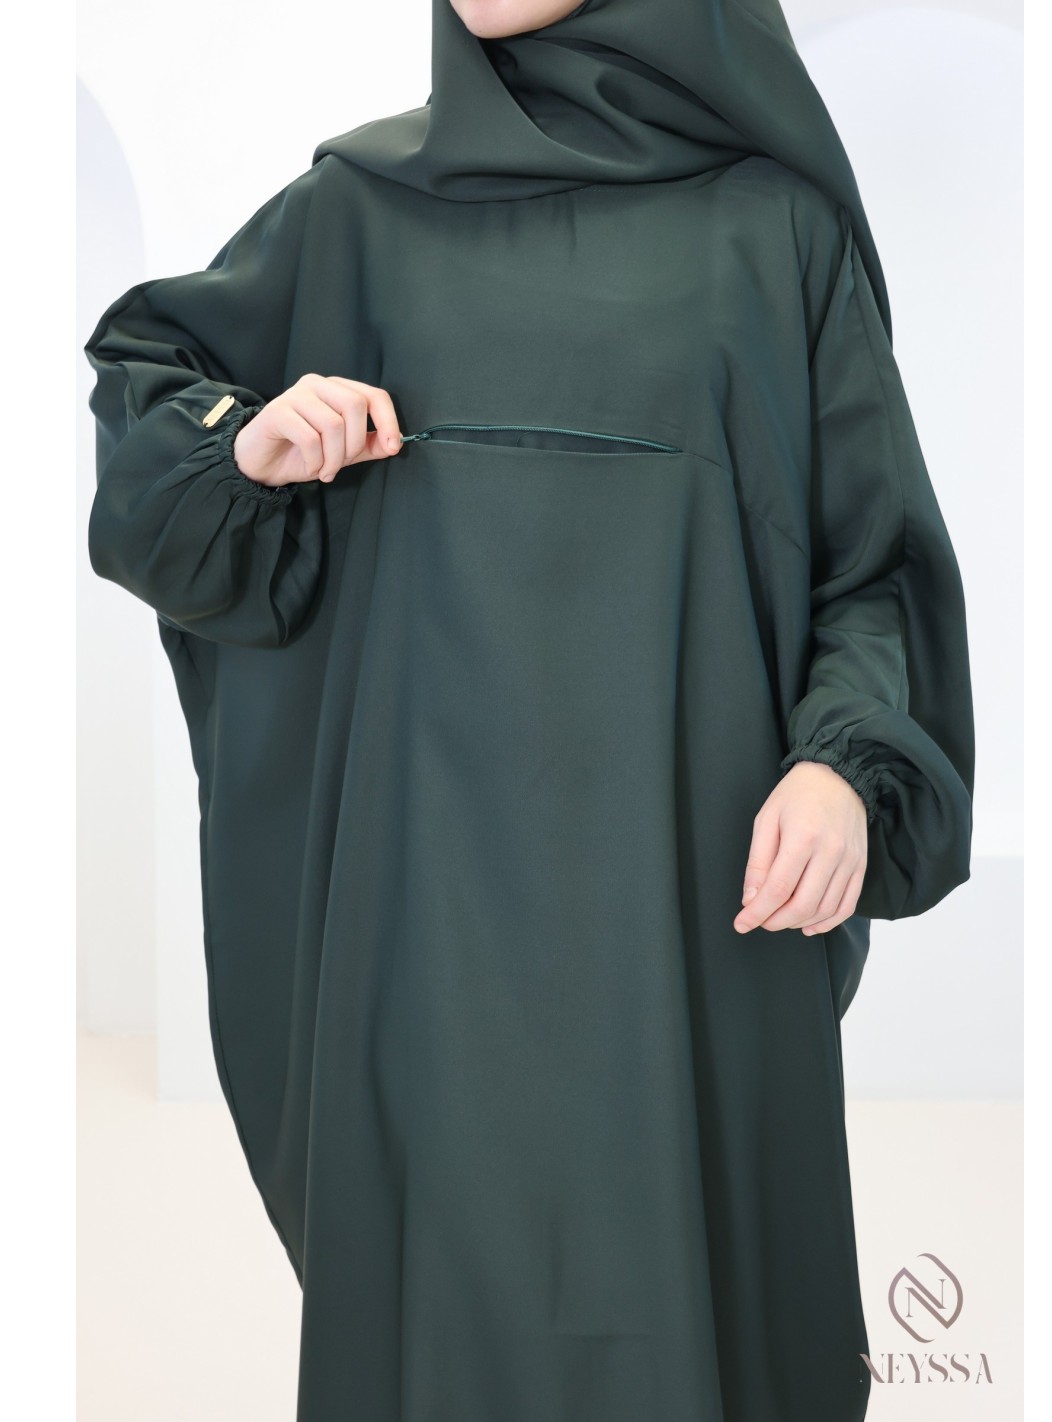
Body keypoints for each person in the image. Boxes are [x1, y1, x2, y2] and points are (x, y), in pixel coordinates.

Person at [83, 2, 976, 1419]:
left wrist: (842, 767)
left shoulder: (776, 231)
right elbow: (151, 399)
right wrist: (247, 447)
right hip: (424, 929)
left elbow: (870, 566)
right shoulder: (360, 211)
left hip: (692, 911)